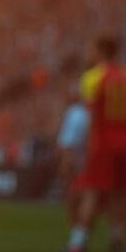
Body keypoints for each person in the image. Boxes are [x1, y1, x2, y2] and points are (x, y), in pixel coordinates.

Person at [66, 36, 126, 252]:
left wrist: (89, 147)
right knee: (120, 193)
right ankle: (117, 237)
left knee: (91, 191)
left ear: (99, 51)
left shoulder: (92, 78)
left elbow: (91, 116)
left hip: (102, 144)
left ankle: (78, 243)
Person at [56, 82, 90, 227]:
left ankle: (77, 232)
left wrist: (66, 161)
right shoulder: (88, 113)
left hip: (80, 161)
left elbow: (67, 142)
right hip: (90, 160)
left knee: (77, 194)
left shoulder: (76, 113)